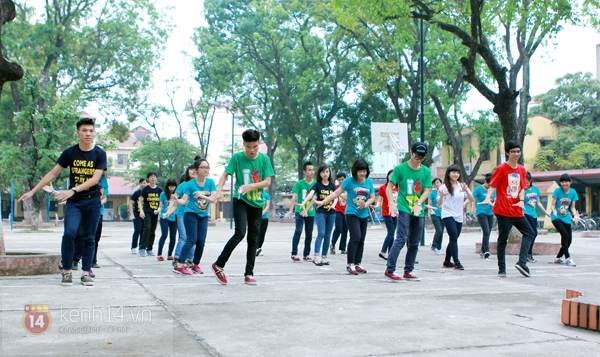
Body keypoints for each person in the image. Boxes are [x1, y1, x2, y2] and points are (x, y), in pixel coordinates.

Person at [18, 117, 106, 286]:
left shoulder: (99, 153)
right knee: (69, 233)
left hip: (92, 201)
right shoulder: (70, 152)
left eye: (91, 130)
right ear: (78, 133)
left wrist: (71, 190)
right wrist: (32, 191)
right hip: (75, 202)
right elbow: (53, 173)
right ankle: (66, 271)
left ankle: (86, 273)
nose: (88, 134)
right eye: (85, 130)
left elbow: (95, 179)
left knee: (89, 238)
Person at [212, 129, 274, 285]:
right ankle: (219, 264)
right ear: (244, 145)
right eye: (248, 146)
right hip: (240, 200)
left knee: (253, 238)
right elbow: (225, 174)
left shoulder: (264, 159)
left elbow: (267, 182)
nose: (252, 150)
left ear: (259, 143)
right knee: (240, 232)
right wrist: (218, 190)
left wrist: (251, 186)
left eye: (255, 146)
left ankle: (249, 273)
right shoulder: (237, 158)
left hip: (257, 203)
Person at [480, 140, 535, 278]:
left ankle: (522, 262)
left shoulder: (522, 169)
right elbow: (493, 185)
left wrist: (521, 201)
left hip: (517, 211)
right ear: (507, 153)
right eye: (513, 152)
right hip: (503, 210)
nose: (516, 154)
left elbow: (522, 187)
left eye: (518, 151)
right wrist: (488, 198)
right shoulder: (501, 169)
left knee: (530, 233)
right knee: (503, 239)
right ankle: (502, 269)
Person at [384, 142, 432, 282]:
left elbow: (427, 189)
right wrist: (391, 203)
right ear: (411, 152)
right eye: (417, 156)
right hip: (404, 207)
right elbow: (389, 187)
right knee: (401, 238)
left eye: (422, 157)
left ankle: (408, 270)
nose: (419, 159)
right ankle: (390, 269)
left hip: (418, 209)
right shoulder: (400, 169)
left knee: (414, 242)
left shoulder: (426, 171)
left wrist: (419, 203)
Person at [317, 159, 375, 275]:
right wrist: (323, 202)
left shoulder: (369, 182)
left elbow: (372, 197)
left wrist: (366, 204)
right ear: (355, 171)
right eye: (359, 171)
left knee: (361, 239)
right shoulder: (349, 181)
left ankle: (358, 263)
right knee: (356, 236)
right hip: (351, 213)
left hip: (363, 214)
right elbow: (336, 193)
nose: (362, 174)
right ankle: (350, 264)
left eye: (364, 171)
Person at [173, 159, 218, 275]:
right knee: (191, 239)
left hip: (203, 216)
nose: (205, 169)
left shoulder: (211, 182)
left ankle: (195, 264)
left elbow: (213, 199)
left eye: (207, 167)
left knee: (201, 241)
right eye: (202, 167)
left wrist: (202, 196)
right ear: (196, 169)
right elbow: (184, 201)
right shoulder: (190, 184)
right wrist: (176, 200)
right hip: (190, 214)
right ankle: (179, 264)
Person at [438, 165, 474, 270]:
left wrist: (466, 191)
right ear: (448, 173)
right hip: (447, 214)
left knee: (454, 238)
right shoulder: (444, 187)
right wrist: (441, 197)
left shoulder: (462, 186)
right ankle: (456, 262)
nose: (455, 174)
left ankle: (446, 261)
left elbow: (471, 199)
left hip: (459, 215)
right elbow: (439, 203)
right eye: (453, 172)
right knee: (453, 236)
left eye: (457, 173)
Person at [165, 164, 197, 266]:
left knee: (193, 238)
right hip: (182, 214)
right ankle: (177, 257)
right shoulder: (183, 185)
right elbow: (174, 200)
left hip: (195, 215)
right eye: (191, 169)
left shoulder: (200, 185)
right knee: (184, 236)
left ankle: (189, 259)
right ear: (187, 172)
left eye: (195, 169)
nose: (193, 171)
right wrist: (169, 211)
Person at [304, 164, 337, 266]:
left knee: (327, 236)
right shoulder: (317, 184)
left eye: (327, 171)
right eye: (323, 172)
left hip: (331, 213)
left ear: (329, 173)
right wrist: (304, 202)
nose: (325, 174)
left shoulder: (332, 185)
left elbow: (336, 196)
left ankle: (324, 258)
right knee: (321, 233)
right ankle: (316, 256)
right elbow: (311, 194)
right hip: (321, 212)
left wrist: (333, 206)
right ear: (320, 174)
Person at [286, 162, 316, 263]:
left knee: (309, 234)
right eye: (309, 170)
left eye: (313, 169)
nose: (312, 172)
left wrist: (307, 209)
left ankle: (306, 254)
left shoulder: (315, 184)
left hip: (310, 212)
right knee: (298, 231)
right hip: (299, 211)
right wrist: (291, 210)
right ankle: (294, 253)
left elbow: (314, 199)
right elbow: (294, 197)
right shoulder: (299, 184)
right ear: (304, 171)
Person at [551, 173, 579, 267]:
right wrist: (553, 210)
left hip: (566, 217)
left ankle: (558, 257)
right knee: (564, 234)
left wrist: (575, 215)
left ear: (570, 182)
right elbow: (553, 205)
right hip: (556, 217)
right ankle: (568, 258)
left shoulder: (573, 192)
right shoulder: (557, 191)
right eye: (562, 182)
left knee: (569, 240)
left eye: (566, 181)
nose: (564, 183)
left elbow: (572, 207)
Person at [523, 172, 549, 263]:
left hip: (533, 214)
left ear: (530, 180)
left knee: (533, 234)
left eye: (527, 181)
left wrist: (545, 212)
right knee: (533, 232)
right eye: (524, 181)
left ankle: (527, 254)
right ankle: (528, 254)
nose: (525, 183)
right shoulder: (522, 190)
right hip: (525, 213)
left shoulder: (535, 189)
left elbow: (538, 202)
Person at [374, 169, 397, 260]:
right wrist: (377, 205)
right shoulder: (383, 187)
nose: (391, 177)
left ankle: (390, 253)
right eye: (390, 175)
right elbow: (379, 199)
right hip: (387, 212)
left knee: (392, 234)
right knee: (391, 232)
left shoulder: (398, 187)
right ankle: (383, 251)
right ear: (387, 176)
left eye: (393, 175)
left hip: (395, 213)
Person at [139, 171, 163, 257]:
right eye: (151, 176)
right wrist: (141, 211)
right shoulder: (146, 189)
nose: (153, 178)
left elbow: (162, 201)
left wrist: (160, 210)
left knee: (153, 230)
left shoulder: (159, 189)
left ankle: (149, 248)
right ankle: (142, 248)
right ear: (148, 178)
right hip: (147, 211)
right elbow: (140, 200)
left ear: (156, 178)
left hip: (155, 212)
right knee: (147, 228)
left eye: (154, 176)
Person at [474, 173, 495, 260]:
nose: (489, 186)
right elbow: (471, 197)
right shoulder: (478, 189)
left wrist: (493, 204)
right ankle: (486, 251)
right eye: (488, 184)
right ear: (485, 181)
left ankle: (482, 250)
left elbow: (496, 201)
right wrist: (464, 203)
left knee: (488, 232)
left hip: (490, 213)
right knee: (486, 231)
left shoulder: (494, 189)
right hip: (481, 212)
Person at [157, 179, 178, 261]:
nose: (172, 188)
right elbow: (160, 206)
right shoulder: (163, 194)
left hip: (174, 217)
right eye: (170, 186)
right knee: (164, 234)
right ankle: (159, 254)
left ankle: (170, 254)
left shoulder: (177, 195)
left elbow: (176, 205)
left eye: (173, 186)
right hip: (164, 217)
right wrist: (157, 211)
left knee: (173, 237)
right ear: (167, 186)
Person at [330, 172, 348, 255]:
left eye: (342, 179)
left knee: (345, 229)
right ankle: (332, 245)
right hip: (337, 211)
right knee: (339, 228)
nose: (341, 181)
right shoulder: (336, 188)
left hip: (346, 212)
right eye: (339, 180)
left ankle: (343, 248)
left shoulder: (348, 188)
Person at [129, 178, 147, 254]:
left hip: (146, 214)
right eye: (142, 183)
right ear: (139, 184)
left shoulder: (147, 193)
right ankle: (133, 247)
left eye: (145, 183)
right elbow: (130, 203)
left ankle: (141, 247)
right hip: (137, 214)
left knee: (144, 231)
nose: (143, 184)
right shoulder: (136, 193)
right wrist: (132, 214)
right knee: (137, 230)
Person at [426, 178, 444, 255]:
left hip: (443, 214)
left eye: (438, 182)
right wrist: (429, 212)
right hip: (435, 213)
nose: (437, 184)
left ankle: (438, 247)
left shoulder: (444, 192)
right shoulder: (432, 193)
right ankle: (434, 246)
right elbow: (429, 205)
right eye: (435, 183)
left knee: (442, 230)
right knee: (439, 229)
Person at [256, 189, 271, 256]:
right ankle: (255, 248)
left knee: (262, 233)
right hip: (256, 217)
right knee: (257, 233)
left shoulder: (266, 195)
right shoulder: (255, 194)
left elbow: (267, 206)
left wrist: (262, 213)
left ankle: (259, 248)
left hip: (264, 217)